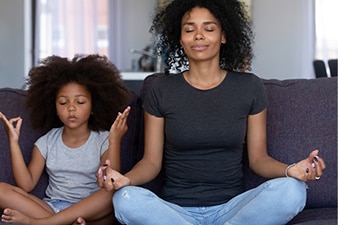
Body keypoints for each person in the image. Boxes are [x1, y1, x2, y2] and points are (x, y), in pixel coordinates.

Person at [98, 1, 326, 225]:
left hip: (233, 208)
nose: (198, 35)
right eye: (189, 29)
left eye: (209, 28)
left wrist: (291, 170)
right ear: (180, 38)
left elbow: (259, 159)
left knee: (293, 190)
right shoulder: (162, 89)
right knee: (125, 199)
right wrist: (126, 180)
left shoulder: (249, 87)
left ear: (224, 35)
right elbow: (150, 162)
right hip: (175, 211)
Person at [0, 54, 131, 225]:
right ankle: (63, 222)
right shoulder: (46, 142)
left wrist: (115, 141)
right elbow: (26, 185)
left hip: (90, 212)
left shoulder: (104, 139)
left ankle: (40, 223)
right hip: (52, 209)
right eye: (63, 103)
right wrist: (13, 142)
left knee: (113, 192)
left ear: (93, 107)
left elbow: (110, 180)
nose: (71, 108)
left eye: (80, 102)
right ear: (53, 107)